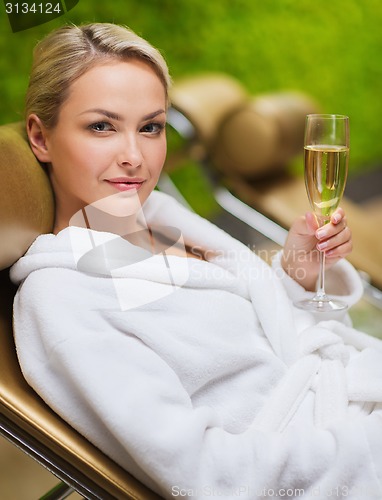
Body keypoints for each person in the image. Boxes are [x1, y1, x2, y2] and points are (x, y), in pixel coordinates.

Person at [10, 23, 382, 499]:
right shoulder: (63, 300)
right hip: (339, 462)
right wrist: (368, 448)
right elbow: (211, 477)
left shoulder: (155, 226)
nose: (134, 156)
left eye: (151, 127)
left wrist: (296, 277)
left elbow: (257, 344)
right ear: (41, 138)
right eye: (101, 126)